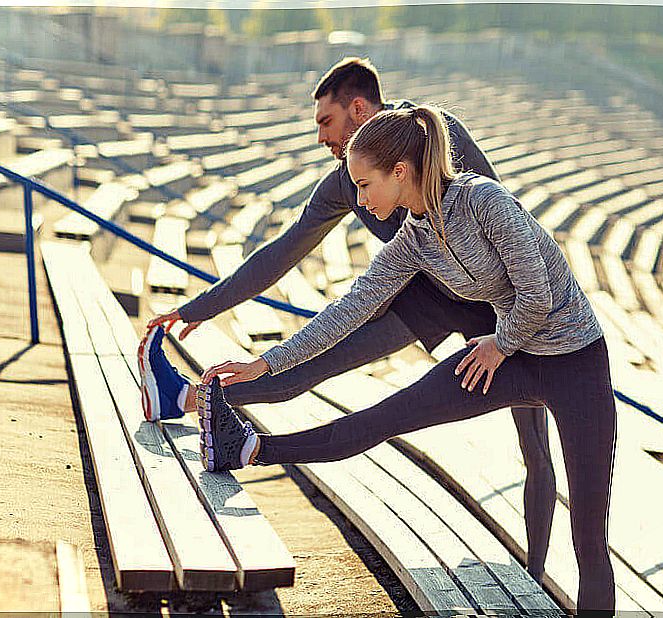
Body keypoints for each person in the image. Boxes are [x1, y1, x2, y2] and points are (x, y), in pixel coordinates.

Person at [141, 57, 557, 583]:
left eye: (325, 122)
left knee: (534, 445)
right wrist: (197, 309)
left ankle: (537, 575)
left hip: (495, 306)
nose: (320, 138)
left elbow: (503, 224)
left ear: (357, 109)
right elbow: (282, 253)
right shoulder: (343, 185)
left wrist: (512, 327)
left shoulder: (436, 132)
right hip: (420, 298)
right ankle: (180, 397)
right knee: (300, 373)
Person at [190, 105, 617, 613]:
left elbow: (539, 295)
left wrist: (500, 344)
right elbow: (349, 309)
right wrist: (266, 363)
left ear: (399, 172)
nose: (361, 200)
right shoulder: (413, 239)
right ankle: (253, 449)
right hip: (511, 358)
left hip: (575, 365)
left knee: (589, 540)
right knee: (384, 418)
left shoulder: (484, 201)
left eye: (365, 185)